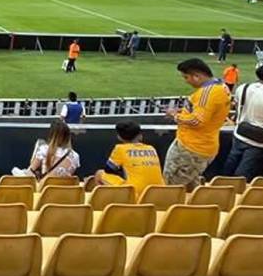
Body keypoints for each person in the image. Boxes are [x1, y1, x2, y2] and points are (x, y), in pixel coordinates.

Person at [164, 58, 231, 189]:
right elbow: (208, 113)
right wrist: (183, 112)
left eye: (186, 77)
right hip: (203, 145)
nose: (186, 81)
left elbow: (197, 121)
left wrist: (175, 116)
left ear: (197, 76)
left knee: (172, 185)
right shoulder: (222, 86)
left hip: (192, 148)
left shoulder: (207, 93)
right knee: (190, 184)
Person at [94, 120, 165, 197]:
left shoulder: (120, 148)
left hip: (135, 192)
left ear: (119, 137)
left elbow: (108, 170)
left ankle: (103, 203)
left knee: (99, 174)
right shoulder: (151, 148)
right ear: (140, 135)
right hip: (159, 192)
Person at [222, 64, 263, 180]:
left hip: (239, 134)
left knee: (228, 168)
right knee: (242, 176)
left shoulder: (243, 88)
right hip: (258, 142)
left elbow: (236, 105)